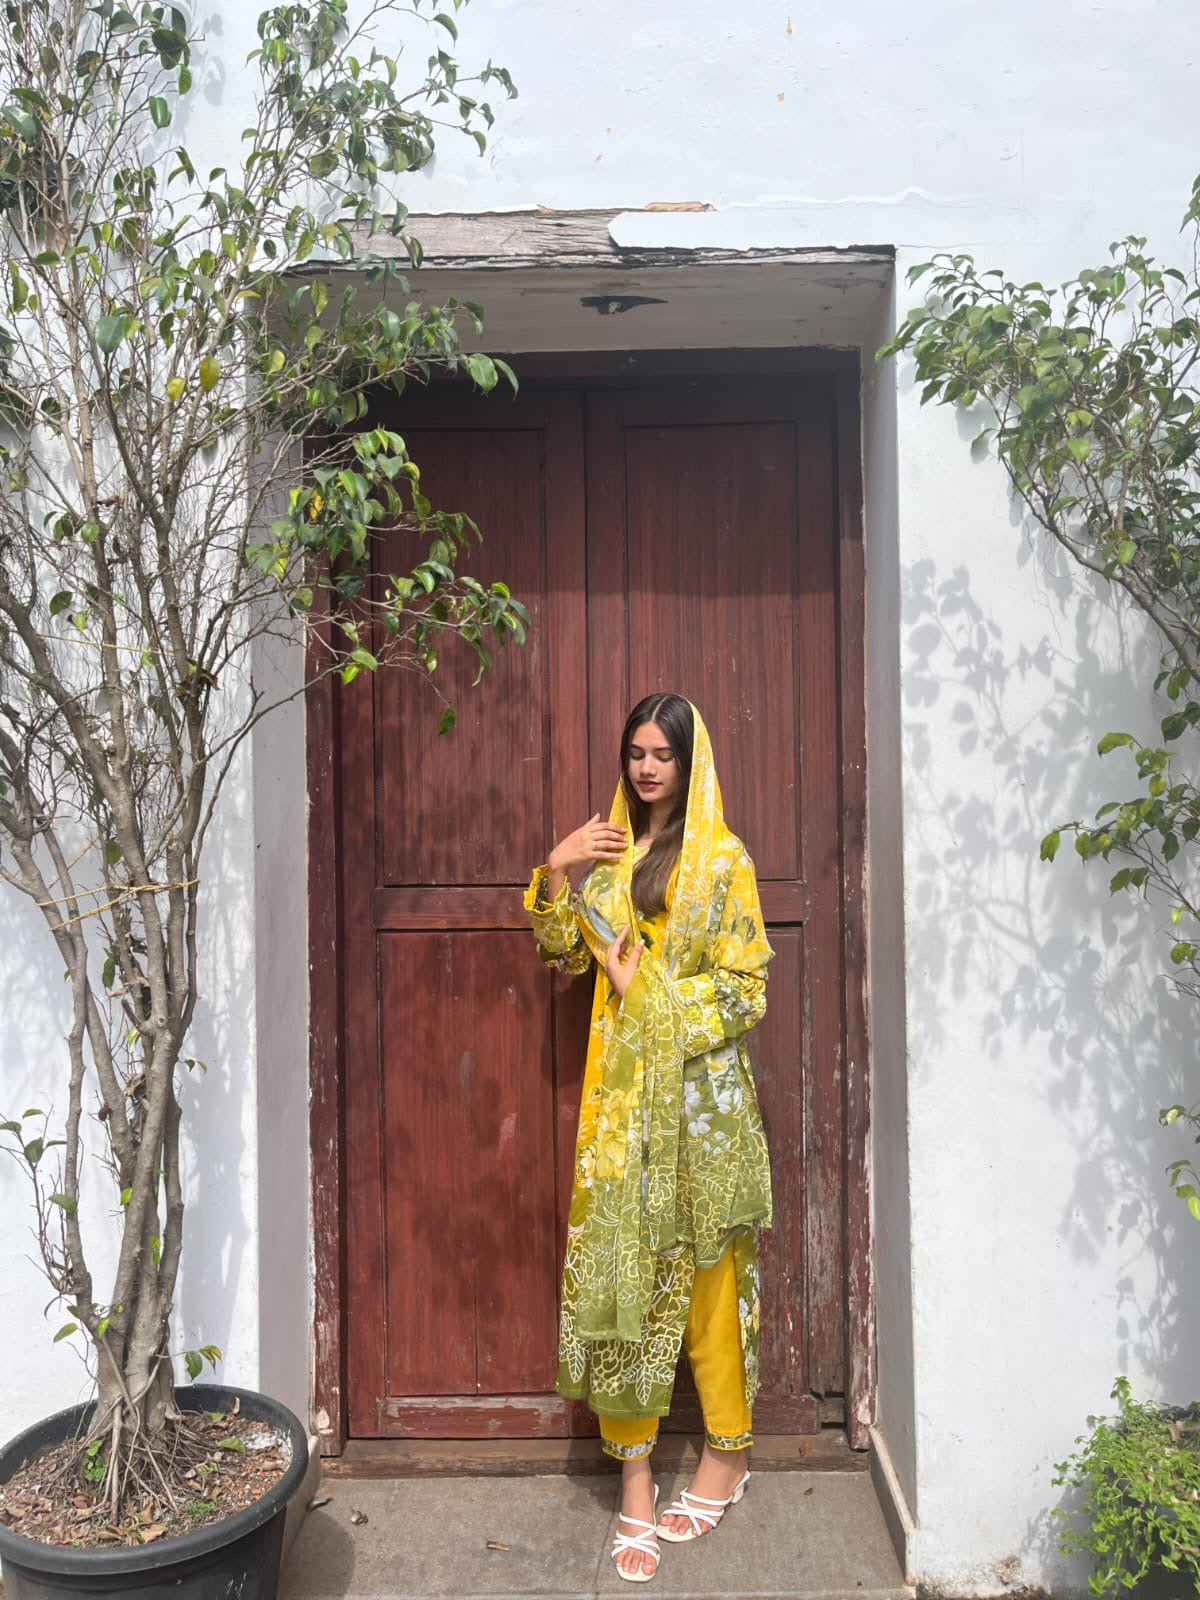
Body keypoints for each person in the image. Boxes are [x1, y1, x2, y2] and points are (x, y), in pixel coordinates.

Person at [524, 693, 773, 1583]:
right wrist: (557, 870)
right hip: (623, 1107)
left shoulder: (722, 861)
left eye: (664, 753)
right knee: (627, 1285)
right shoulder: (608, 852)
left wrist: (649, 997)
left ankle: (728, 1454)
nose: (647, 768)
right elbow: (563, 950)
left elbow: (748, 993)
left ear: (690, 759)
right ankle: (633, 1478)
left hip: (703, 1108)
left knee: (708, 1285)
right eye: (635, 751)